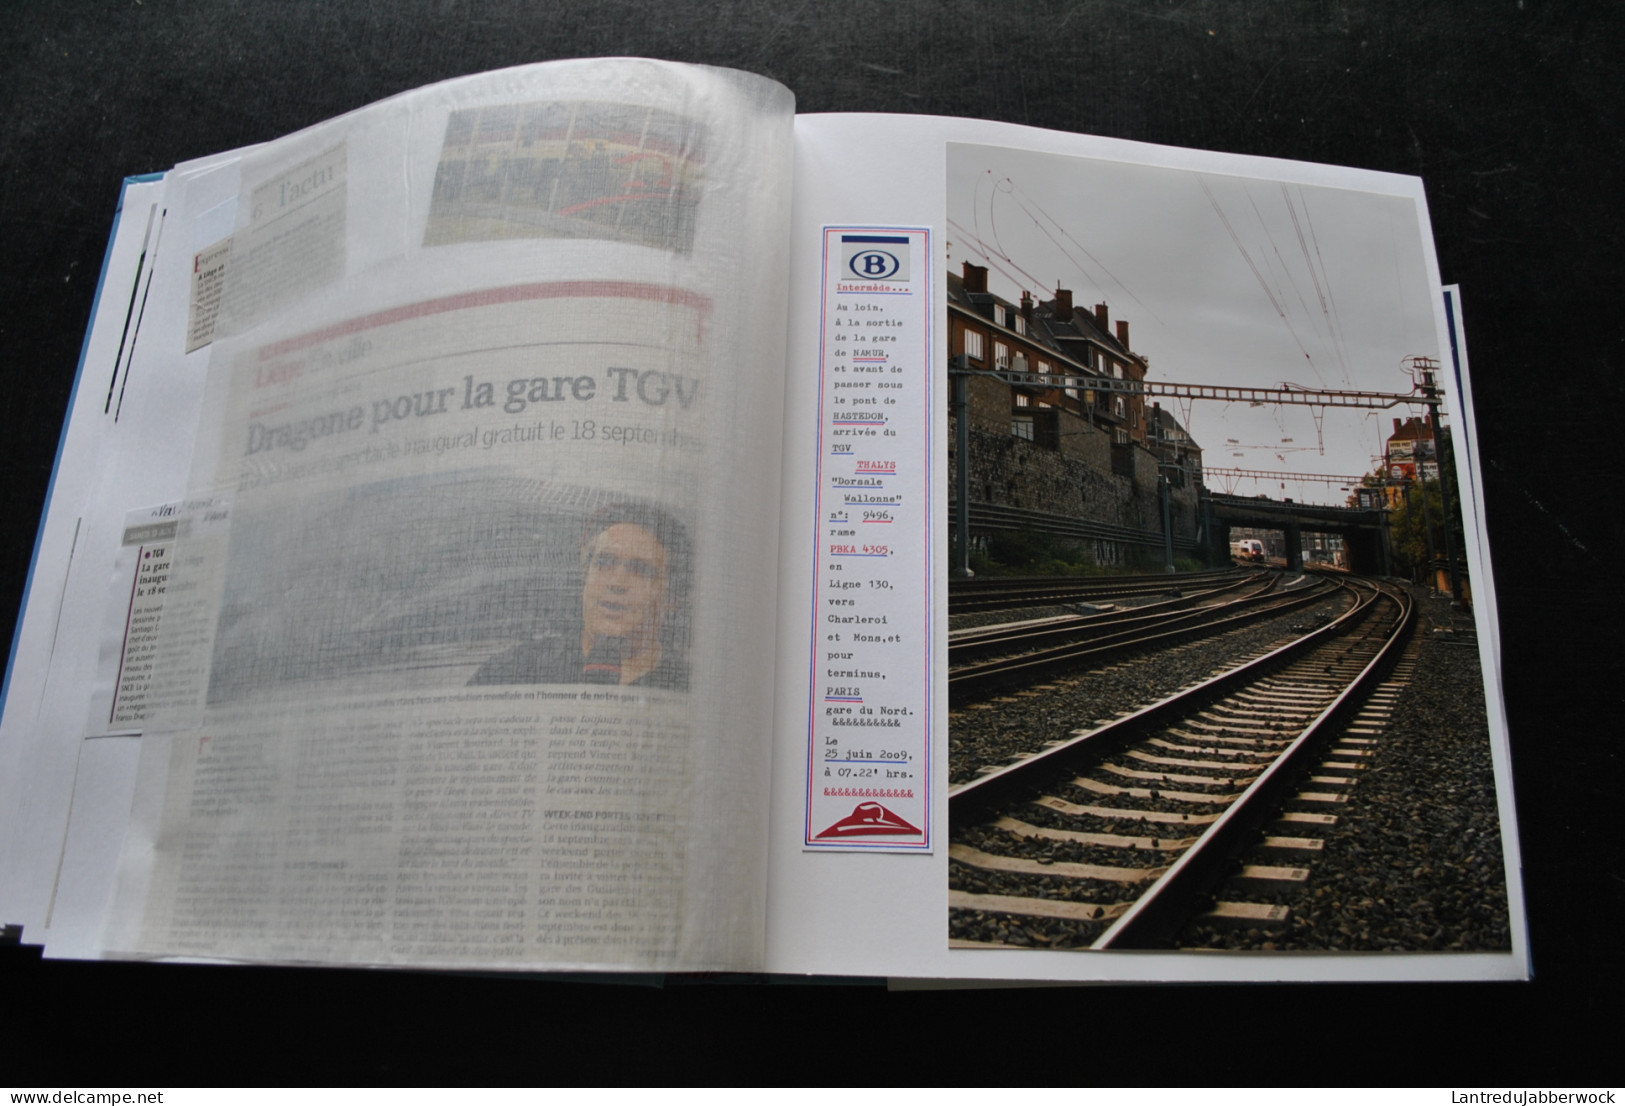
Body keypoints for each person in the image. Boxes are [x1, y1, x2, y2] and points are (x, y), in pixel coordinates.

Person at [469, 503, 690, 690]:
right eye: (604, 563)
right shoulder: (514, 669)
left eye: (641, 570)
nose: (616, 583)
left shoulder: (685, 684)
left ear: (672, 598)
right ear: (585, 575)